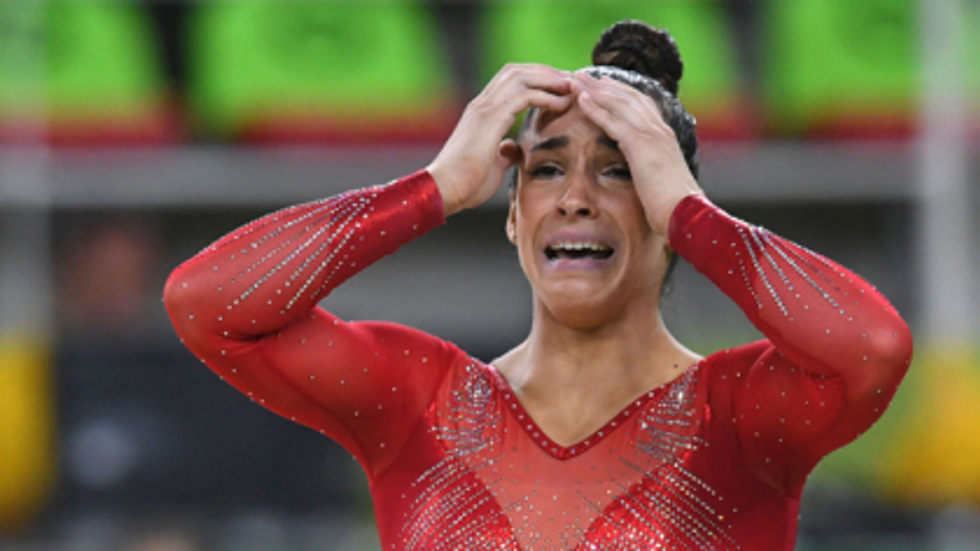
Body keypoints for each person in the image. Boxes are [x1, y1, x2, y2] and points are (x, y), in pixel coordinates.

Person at [164, 21, 912, 550]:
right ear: (515, 216)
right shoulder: (420, 404)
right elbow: (206, 303)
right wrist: (434, 188)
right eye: (548, 169)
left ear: (663, 210)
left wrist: (692, 211)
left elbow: (872, 346)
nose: (575, 198)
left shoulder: (740, 418)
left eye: (619, 170)